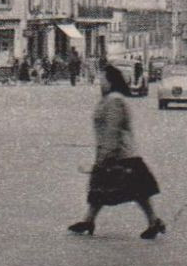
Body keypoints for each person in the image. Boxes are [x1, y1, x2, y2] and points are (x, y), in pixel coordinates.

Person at [68, 63, 165, 240]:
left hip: (121, 155)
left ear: (111, 81)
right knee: (101, 189)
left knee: (135, 191)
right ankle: (89, 220)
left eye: (103, 79)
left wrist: (107, 154)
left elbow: (113, 129)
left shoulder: (114, 100)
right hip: (113, 152)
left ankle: (153, 221)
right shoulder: (109, 99)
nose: (100, 82)